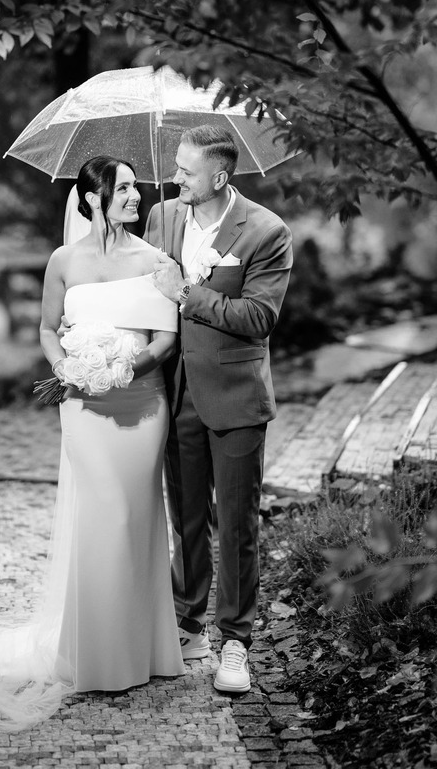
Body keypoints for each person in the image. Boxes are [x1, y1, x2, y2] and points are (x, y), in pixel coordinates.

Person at [0, 156, 184, 732]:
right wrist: (67, 366)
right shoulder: (63, 261)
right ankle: (94, 652)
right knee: (101, 517)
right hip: (81, 405)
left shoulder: (155, 262)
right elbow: (49, 328)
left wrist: (126, 365)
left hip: (141, 404)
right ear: (93, 198)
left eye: (134, 188)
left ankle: (143, 648)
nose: (135, 197)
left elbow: (167, 338)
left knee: (135, 516)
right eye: (123, 188)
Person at [144, 125, 293, 695]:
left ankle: (236, 640)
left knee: (235, 525)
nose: (177, 178)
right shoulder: (163, 218)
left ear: (219, 176)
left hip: (235, 397)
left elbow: (259, 318)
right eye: (176, 168)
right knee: (185, 519)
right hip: (176, 390)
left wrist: (188, 293)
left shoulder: (265, 231)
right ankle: (188, 622)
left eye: (186, 171)